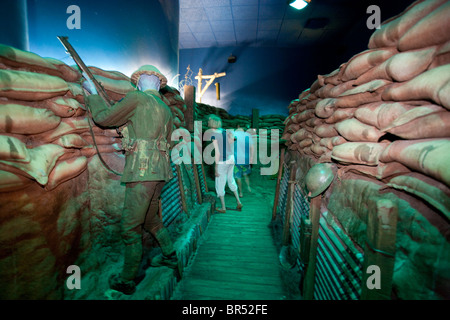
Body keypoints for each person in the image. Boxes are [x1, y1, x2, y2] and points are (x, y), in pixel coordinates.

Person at [82, 65, 178, 295]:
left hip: (142, 172)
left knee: (129, 227)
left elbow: (104, 118)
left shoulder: (136, 99)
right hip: (161, 173)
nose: (144, 81)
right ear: (158, 84)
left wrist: (92, 95)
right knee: (151, 219)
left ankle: (127, 279)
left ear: (140, 82)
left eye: (142, 78)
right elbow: (168, 142)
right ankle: (170, 255)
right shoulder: (166, 109)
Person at [207, 115, 242, 213]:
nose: (208, 122)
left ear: (213, 122)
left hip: (222, 161)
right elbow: (234, 140)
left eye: (209, 121)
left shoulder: (214, 135)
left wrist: (216, 168)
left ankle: (223, 207)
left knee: (219, 184)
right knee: (231, 180)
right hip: (231, 158)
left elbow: (217, 152)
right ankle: (239, 202)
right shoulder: (225, 131)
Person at [233, 127, 254, 198]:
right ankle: (248, 187)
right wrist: (251, 158)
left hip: (236, 160)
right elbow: (252, 147)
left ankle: (240, 192)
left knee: (238, 177)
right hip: (246, 160)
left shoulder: (234, 134)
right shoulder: (248, 135)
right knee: (246, 175)